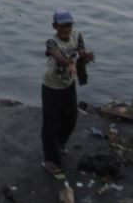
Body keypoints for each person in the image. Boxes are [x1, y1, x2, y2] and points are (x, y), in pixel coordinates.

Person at [41, 10, 95, 175]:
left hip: (68, 85)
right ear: (55, 26)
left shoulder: (76, 35)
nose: (66, 28)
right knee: (50, 124)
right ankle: (50, 159)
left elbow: (81, 51)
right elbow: (58, 57)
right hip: (51, 86)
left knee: (71, 119)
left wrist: (85, 56)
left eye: (68, 25)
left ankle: (60, 143)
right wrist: (68, 64)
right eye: (62, 25)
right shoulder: (51, 42)